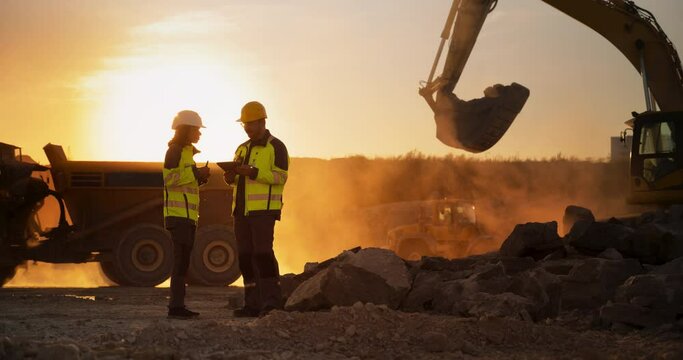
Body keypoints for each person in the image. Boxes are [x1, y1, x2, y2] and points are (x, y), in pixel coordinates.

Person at [224, 101, 289, 317]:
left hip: (264, 212)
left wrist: (253, 172)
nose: (247, 128)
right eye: (244, 125)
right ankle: (251, 304)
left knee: (262, 254)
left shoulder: (276, 147)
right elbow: (237, 181)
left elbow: (281, 177)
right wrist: (230, 177)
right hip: (241, 212)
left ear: (262, 122)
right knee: (245, 257)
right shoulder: (241, 148)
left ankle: (271, 303)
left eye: (251, 124)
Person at [163, 110, 210, 319]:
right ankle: (176, 307)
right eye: (197, 130)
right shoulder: (174, 151)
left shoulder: (186, 152)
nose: (199, 134)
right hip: (178, 215)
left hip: (188, 216)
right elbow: (170, 179)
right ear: (188, 129)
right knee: (180, 260)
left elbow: (184, 182)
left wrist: (199, 177)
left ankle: (178, 306)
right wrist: (196, 174)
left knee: (184, 261)